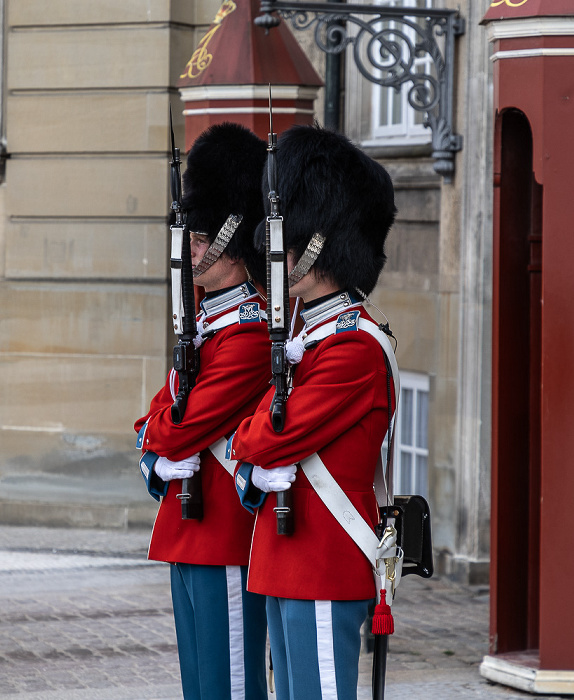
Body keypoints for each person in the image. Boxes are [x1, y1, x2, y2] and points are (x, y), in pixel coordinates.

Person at [229, 124, 397, 700]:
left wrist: (252, 442)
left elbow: (266, 438)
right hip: (286, 555)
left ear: (318, 246)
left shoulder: (353, 347)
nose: (276, 259)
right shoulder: (309, 338)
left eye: (287, 246)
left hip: (324, 559)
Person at [134, 122, 270, 700]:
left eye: (200, 238)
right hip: (187, 529)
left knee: (230, 687)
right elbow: (157, 414)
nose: (190, 248)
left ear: (232, 238)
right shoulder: (206, 322)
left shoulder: (248, 333)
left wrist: (158, 440)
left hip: (224, 537)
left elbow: (180, 424)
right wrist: (154, 448)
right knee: (199, 686)